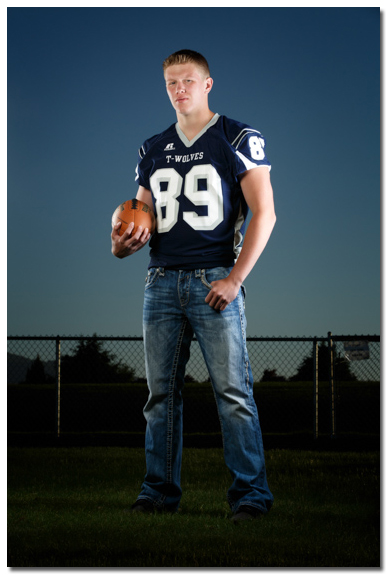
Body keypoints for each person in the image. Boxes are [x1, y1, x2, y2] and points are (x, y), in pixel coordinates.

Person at [111, 49, 276, 523]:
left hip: (213, 280)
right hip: (161, 282)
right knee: (160, 396)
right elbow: (136, 225)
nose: (179, 90)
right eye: (170, 83)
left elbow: (265, 213)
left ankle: (251, 497)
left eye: (187, 81)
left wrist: (235, 277)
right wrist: (122, 244)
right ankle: (158, 493)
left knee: (233, 393)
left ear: (207, 84)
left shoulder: (237, 136)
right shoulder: (152, 147)